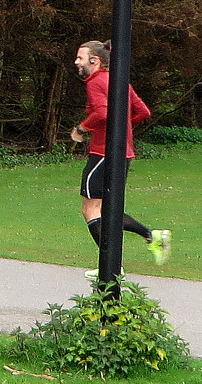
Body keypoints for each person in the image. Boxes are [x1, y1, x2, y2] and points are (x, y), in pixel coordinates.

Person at [70, 40, 171, 265]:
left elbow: (102, 113)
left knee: (90, 209)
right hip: (123, 153)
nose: (76, 62)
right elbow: (143, 111)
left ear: (94, 61)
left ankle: (111, 265)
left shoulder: (95, 82)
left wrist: (81, 128)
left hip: (103, 152)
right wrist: (121, 128)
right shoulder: (119, 81)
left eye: (80, 58)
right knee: (109, 210)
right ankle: (151, 236)